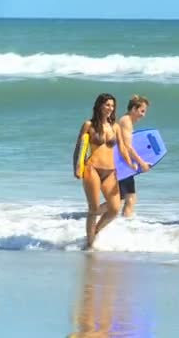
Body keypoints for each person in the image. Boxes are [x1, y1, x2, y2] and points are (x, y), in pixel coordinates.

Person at [73, 93, 134, 249]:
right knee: (93, 208)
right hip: (92, 168)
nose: (110, 108)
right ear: (99, 105)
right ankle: (89, 244)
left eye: (112, 106)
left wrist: (131, 164)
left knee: (114, 209)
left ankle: (94, 233)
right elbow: (79, 147)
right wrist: (77, 167)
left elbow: (122, 149)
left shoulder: (115, 127)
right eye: (107, 105)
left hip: (110, 171)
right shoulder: (89, 125)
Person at [115, 95, 151, 217]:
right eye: (142, 111)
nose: (143, 115)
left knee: (124, 199)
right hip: (122, 164)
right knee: (125, 200)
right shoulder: (126, 122)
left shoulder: (126, 120)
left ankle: (123, 225)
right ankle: (93, 214)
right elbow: (128, 147)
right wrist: (141, 163)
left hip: (122, 163)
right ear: (133, 109)